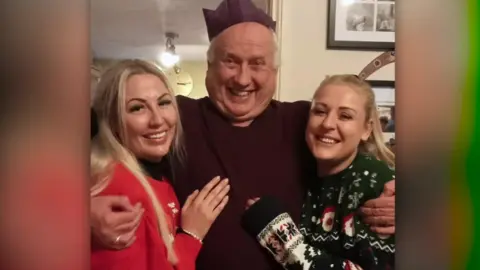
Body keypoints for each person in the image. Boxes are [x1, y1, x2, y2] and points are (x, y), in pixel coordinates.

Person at [90, 1, 396, 269]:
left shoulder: (307, 120)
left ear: (274, 72)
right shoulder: (173, 118)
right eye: (230, 61)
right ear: (210, 67)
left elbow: (369, 151)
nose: (243, 78)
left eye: (257, 64)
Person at [242, 75, 395, 270]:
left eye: (345, 116)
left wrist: (282, 238)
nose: (328, 124)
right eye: (320, 111)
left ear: (367, 129)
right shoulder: (310, 173)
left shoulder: (376, 185)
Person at [90, 59, 230, 270]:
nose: (157, 120)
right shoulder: (121, 188)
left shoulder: (154, 174)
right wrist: (192, 235)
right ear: (112, 120)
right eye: (137, 108)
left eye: (164, 103)